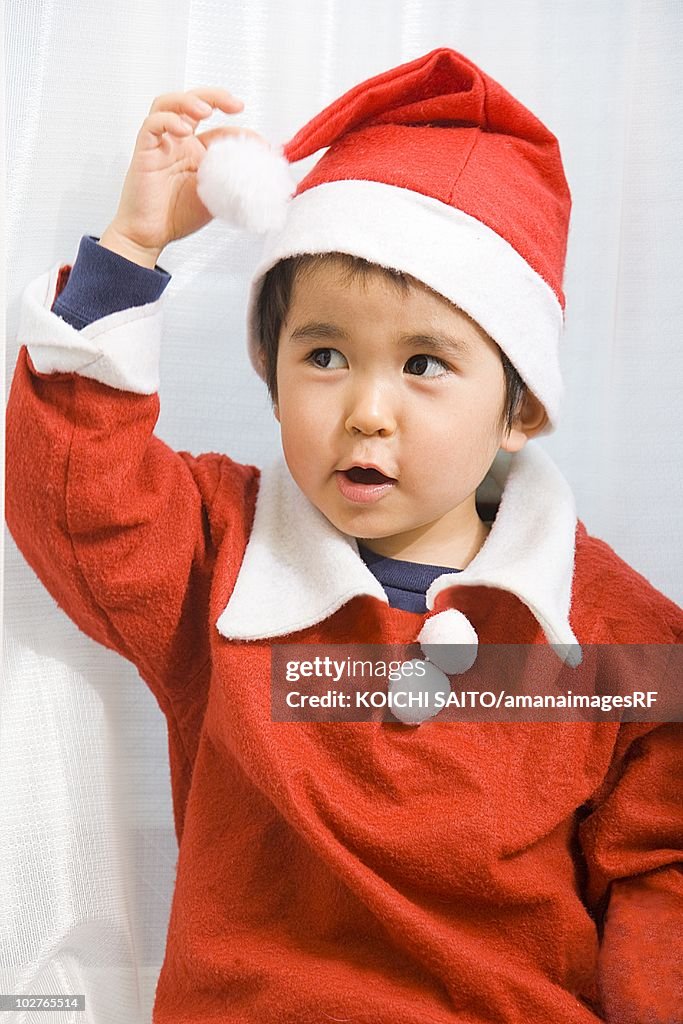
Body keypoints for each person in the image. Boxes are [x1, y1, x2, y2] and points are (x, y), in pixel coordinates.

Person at [5, 47, 682, 1024]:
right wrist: (132, 247)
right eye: (323, 354)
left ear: (519, 410)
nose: (368, 410)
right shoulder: (215, 555)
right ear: (270, 373)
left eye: (423, 364)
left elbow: (661, 876)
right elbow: (76, 496)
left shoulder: (616, 637)